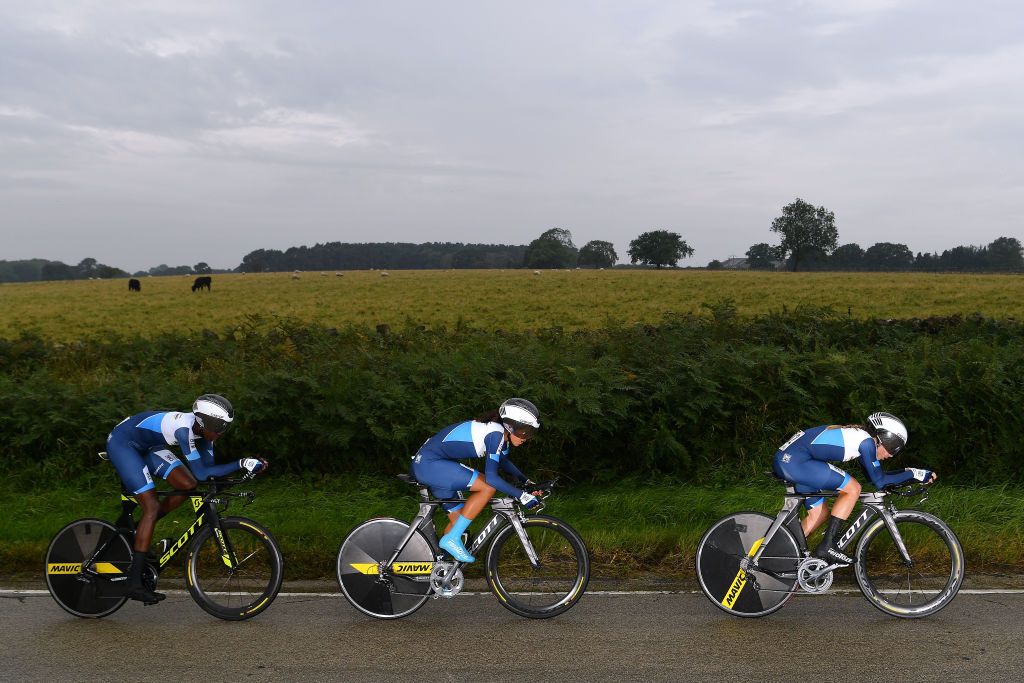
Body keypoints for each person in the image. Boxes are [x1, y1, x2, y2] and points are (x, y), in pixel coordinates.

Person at [105, 394, 268, 604]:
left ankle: (138, 533)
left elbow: (207, 474)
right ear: (203, 421)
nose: (220, 432)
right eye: (218, 426)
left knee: (187, 485)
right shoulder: (184, 430)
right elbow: (202, 473)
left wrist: (239, 473)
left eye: (224, 427)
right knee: (151, 507)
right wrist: (241, 462)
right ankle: (133, 583)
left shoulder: (204, 434)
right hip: (123, 443)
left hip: (147, 446)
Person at [772, 412, 936, 565]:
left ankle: (780, 557)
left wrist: (909, 474)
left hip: (792, 459)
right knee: (853, 488)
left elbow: (878, 478)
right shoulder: (866, 442)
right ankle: (828, 546)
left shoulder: (861, 438)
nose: (892, 454)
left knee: (820, 513)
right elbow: (880, 481)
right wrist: (914, 474)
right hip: (794, 461)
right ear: (882, 437)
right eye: (893, 447)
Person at [410, 398, 543, 562]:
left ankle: (443, 576)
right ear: (510, 425)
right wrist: (521, 496)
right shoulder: (495, 435)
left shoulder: (500, 435)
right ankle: (451, 539)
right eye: (525, 431)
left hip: (434, 465)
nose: (527, 436)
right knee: (487, 487)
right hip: (430, 465)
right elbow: (493, 478)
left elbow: (504, 463)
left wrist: (527, 483)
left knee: (460, 524)